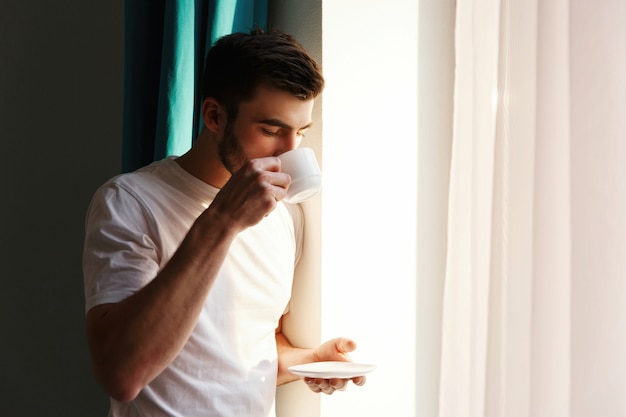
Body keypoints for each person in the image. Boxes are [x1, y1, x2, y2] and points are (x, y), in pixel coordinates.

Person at [82, 29, 365, 416]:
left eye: (299, 132)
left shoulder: (285, 215)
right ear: (214, 116)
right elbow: (122, 375)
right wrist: (223, 221)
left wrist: (310, 358)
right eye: (270, 130)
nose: (289, 151)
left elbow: (229, 353)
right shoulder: (129, 202)